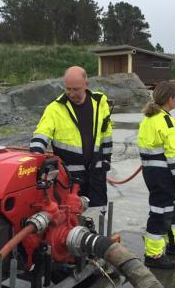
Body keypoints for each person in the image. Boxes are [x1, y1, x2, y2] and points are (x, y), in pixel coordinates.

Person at [29, 66, 113, 207]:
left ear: (86, 85)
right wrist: (35, 160)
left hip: (96, 173)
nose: (71, 93)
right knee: (71, 218)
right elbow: (41, 135)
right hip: (69, 178)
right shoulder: (55, 109)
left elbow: (106, 135)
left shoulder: (100, 104)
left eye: (76, 89)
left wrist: (106, 161)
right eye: (68, 89)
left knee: (98, 212)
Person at [137, 82, 175, 269]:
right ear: (170, 99)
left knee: (171, 209)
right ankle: (153, 255)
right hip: (163, 175)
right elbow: (174, 156)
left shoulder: (149, 118)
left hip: (152, 173)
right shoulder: (166, 123)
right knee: (160, 213)